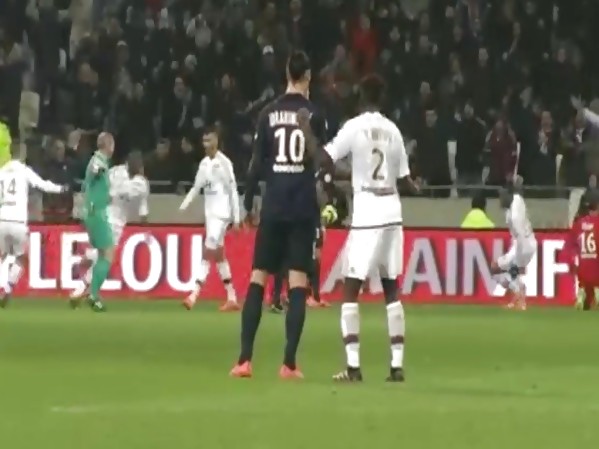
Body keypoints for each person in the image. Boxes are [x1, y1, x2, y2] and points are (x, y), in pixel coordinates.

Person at [299, 74, 416, 383]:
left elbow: (323, 159)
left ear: (361, 96)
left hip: (368, 212)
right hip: (392, 210)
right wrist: (414, 185)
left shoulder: (354, 126)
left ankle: (353, 367)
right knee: (391, 288)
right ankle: (397, 366)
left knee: (350, 289)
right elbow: (406, 181)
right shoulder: (394, 131)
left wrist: (306, 131)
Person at [230, 50, 327, 379]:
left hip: (273, 206)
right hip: (302, 208)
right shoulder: (315, 115)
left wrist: (247, 203)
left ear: (287, 74)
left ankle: (244, 360)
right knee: (298, 281)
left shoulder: (268, 113)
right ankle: (288, 363)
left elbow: (256, 165)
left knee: (258, 276)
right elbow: (321, 162)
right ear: (308, 77)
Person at [70, 151, 149, 300]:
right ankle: (88, 260)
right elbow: (143, 212)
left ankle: (81, 289)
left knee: (104, 257)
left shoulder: (118, 173)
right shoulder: (137, 182)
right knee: (106, 256)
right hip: (112, 221)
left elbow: (102, 186)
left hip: (104, 217)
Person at [179, 126, 241, 312]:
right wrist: (184, 205)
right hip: (210, 215)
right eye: (204, 141)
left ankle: (193, 295)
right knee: (219, 255)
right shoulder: (204, 164)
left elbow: (233, 191)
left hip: (222, 215)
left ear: (216, 141)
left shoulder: (225, 163)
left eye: (209, 140)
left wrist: (236, 218)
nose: (206, 144)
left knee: (207, 251)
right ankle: (232, 297)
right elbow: (196, 187)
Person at [0, 142, 68, 307]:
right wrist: (61, 189)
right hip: (18, 221)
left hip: (1, 220)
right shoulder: (24, 171)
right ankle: (7, 287)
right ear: (22, 154)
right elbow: (42, 184)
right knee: (22, 257)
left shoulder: (1, 172)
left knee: (2, 256)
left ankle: (3, 287)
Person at [70, 132, 116, 312]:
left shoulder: (98, 160)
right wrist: (99, 171)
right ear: (109, 145)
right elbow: (95, 170)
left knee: (103, 254)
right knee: (108, 254)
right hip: (96, 213)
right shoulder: (98, 160)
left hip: (93, 212)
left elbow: (87, 185)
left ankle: (91, 292)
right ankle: (93, 295)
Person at [491, 177, 536, 311]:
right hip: (524, 243)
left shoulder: (515, 217)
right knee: (508, 272)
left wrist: (520, 262)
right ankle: (518, 295)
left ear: (508, 195)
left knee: (500, 269)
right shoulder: (516, 200)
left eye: (501, 196)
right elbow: (517, 191)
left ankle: (519, 295)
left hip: (524, 245)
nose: (500, 200)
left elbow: (520, 236)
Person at [566, 189, 599, 310]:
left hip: (582, 267)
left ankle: (581, 295)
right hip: (596, 266)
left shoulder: (579, 223)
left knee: (584, 279)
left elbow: (571, 245)